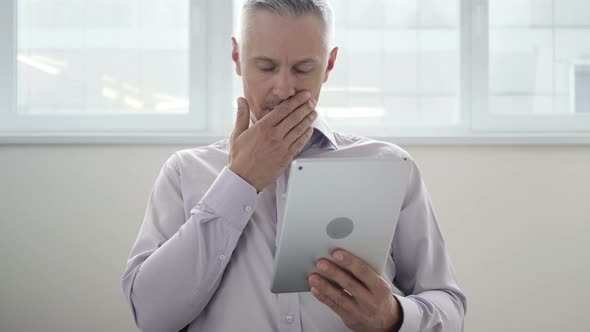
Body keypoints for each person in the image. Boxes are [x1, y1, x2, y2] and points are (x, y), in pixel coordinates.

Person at [122, 1, 467, 331]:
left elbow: (449, 307)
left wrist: (393, 317)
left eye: (303, 69)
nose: (284, 88)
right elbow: (151, 315)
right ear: (237, 57)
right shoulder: (184, 172)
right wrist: (240, 181)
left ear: (329, 65)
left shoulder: (391, 166)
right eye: (266, 66)